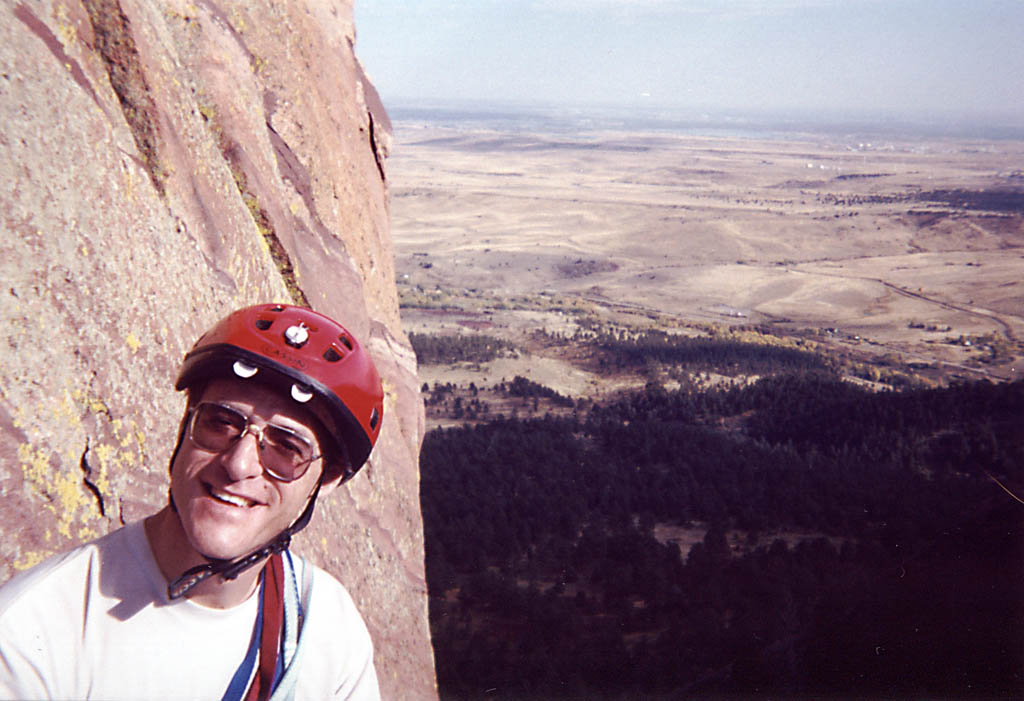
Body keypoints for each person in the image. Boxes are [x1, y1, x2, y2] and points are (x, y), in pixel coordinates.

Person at [0, 303, 385, 700]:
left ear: (327, 478)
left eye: (286, 448)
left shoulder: (325, 628)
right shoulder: (32, 632)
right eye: (221, 423)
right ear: (187, 424)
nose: (239, 465)